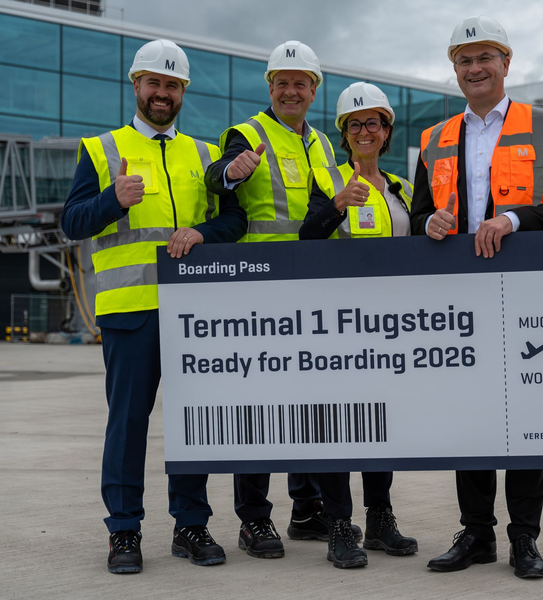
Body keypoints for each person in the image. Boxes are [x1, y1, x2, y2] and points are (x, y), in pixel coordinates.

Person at [60, 39, 247, 574]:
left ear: (183, 91)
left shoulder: (206, 155)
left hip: (194, 315)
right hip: (130, 313)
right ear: (136, 85)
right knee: (127, 424)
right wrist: (110, 200)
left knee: (194, 423)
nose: (162, 94)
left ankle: (190, 526)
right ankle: (124, 531)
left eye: (172, 85)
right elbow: (72, 223)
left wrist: (203, 232)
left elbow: (235, 222)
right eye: (154, 83)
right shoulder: (101, 149)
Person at [410, 16, 543, 578]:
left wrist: (510, 219)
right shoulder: (433, 139)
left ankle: (524, 539)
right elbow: (415, 219)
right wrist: (429, 223)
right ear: (454, 69)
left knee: (525, 416)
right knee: (471, 418)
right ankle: (477, 534)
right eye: (464, 59)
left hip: (527, 294)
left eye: (485, 57)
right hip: (461, 298)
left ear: (507, 62)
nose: (475, 68)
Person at [204, 40, 360, 559]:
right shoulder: (247, 133)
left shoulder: (321, 145)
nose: (291, 90)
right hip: (259, 295)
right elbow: (215, 180)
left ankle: (334, 520)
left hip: (312, 292)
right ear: (270, 87)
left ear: (315, 90)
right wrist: (233, 171)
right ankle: (254, 522)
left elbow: (320, 216)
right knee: (258, 413)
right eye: (282, 82)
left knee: (323, 412)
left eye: (301, 82)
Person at [300, 82, 419, 568]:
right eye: (355, 124)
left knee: (381, 426)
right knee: (338, 428)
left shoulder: (403, 189)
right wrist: (336, 206)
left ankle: (380, 519)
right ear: (344, 134)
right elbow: (306, 237)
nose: (365, 131)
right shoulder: (327, 180)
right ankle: (340, 527)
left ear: (387, 131)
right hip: (338, 329)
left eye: (374, 122)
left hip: (389, 328)